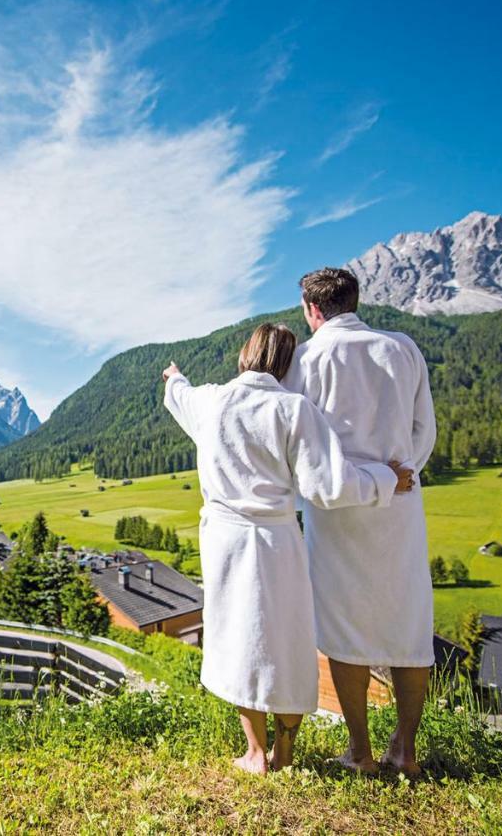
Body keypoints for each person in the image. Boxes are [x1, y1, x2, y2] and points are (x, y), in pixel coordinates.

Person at [162, 323, 414, 775]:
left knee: (241, 638)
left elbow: (181, 395)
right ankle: (285, 751)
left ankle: (255, 754)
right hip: (276, 541)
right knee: (284, 641)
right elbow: (328, 484)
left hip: (224, 542)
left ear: (244, 354)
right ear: (287, 364)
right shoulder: (293, 409)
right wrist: (385, 479)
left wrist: (174, 376)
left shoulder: (212, 400)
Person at [282, 267, 436, 777]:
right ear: (355, 301)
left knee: (344, 626)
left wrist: (354, 477)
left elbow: (293, 441)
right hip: (400, 502)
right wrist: (396, 475)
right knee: (409, 624)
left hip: (337, 510)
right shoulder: (402, 349)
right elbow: (423, 430)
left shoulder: (305, 358)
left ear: (311, 310)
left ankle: (359, 750)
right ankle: (405, 750)